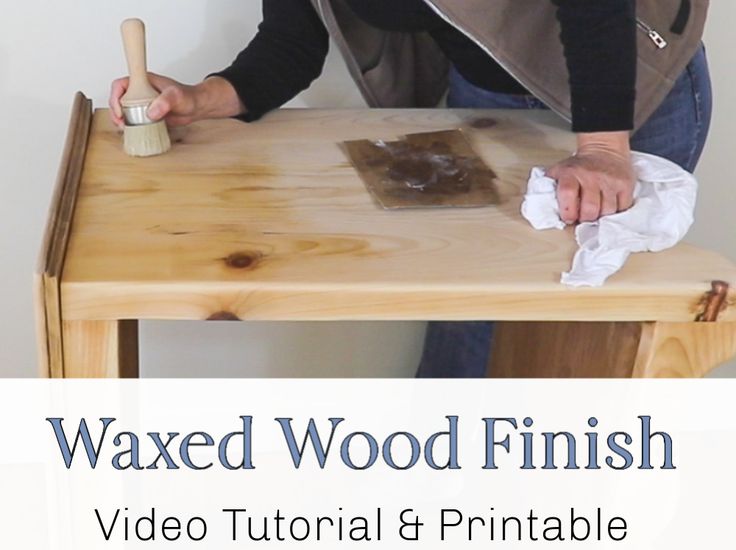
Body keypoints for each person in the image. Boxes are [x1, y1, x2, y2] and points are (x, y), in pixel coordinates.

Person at [110, 1, 712, 378]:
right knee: (464, 308)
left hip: (625, 97)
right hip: (495, 102)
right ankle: (439, 509)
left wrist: (604, 151)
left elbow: (595, 11)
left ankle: (574, 534)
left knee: (601, 341)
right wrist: (200, 99)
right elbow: (291, 43)